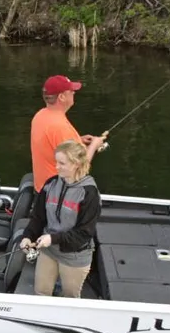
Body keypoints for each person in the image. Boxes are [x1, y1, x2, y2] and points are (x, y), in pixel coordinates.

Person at [20, 140, 100, 298]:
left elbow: (84, 233)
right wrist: (27, 236)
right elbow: (38, 217)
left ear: (76, 163)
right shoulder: (51, 184)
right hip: (48, 251)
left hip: (74, 256)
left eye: (62, 163)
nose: (57, 167)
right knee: (41, 292)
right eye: (57, 162)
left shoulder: (89, 193)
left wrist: (53, 238)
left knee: (69, 298)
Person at [30, 75, 107, 192]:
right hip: (57, 194)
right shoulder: (60, 127)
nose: (74, 93)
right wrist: (94, 145)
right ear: (61, 97)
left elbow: (52, 144)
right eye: (71, 91)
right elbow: (78, 168)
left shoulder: (40, 115)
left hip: (43, 190)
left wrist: (78, 140)